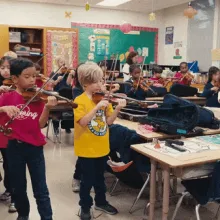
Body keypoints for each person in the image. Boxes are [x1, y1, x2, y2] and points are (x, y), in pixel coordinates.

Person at [0, 58, 57, 220]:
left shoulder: (38, 98)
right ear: (15, 79)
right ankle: (23, 215)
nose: (33, 79)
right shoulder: (7, 97)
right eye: (27, 76)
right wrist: (3, 108)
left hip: (34, 148)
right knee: (18, 187)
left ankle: (47, 217)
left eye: (34, 76)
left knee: (41, 188)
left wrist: (47, 107)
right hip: (13, 148)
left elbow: (40, 124)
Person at [74, 62, 126, 220]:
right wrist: (96, 108)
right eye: (96, 82)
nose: (100, 84)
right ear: (85, 84)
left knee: (100, 179)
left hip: (102, 147)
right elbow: (82, 122)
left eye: (101, 81)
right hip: (86, 149)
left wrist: (116, 109)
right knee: (86, 180)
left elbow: (109, 122)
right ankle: (85, 206)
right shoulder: (80, 100)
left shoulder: (103, 99)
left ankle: (101, 202)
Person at [0, 56, 17, 213]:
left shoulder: (17, 87)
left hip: (8, 131)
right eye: (2, 67)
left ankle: (13, 195)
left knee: (9, 163)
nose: (5, 71)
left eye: (9, 68)